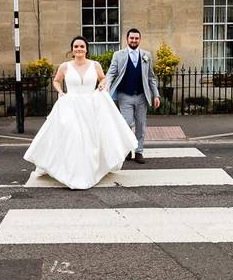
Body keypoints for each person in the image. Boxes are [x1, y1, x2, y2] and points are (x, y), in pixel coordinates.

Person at [23, 36, 138, 190]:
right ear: (72, 49)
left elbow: (103, 78)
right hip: (71, 106)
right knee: (74, 137)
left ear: (86, 49)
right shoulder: (65, 66)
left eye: (82, 46)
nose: (79, 49)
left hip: (91, 106)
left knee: (91, 139)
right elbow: (56, 81)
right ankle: (73, 172)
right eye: (76, 46)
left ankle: (89, 169)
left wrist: (102, 85)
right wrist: (60, 92)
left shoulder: (95, 65)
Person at [102, 28, 160, 164]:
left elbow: (151, 77)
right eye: (131, 38)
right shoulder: (118, 55)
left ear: (139, 39)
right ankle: (128, 149)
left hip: (142, 96)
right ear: (127, 39)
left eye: (136, 38)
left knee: (140, 125)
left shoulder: (147, 55)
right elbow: (111, 73)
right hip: (125, 96)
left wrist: (156, 95)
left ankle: (139, 151)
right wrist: (106, 84)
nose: (134, 40)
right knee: (126, 124)